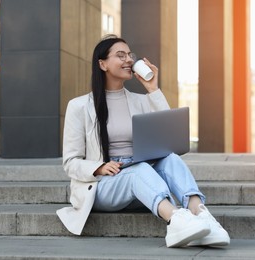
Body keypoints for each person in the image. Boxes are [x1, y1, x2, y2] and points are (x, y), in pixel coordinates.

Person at [56, 35, 230, 248]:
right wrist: (99, 167)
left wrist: (152, 89)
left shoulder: (140, 101)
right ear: (102, 64)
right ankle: (176, 220)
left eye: (130, 55)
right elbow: (71, 162)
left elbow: (169, 137)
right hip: (104, 185)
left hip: (143, 180)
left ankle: (203, 217)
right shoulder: (80, 106)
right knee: (138, 171)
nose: (129, 60)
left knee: (171, 159)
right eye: (121, 55)